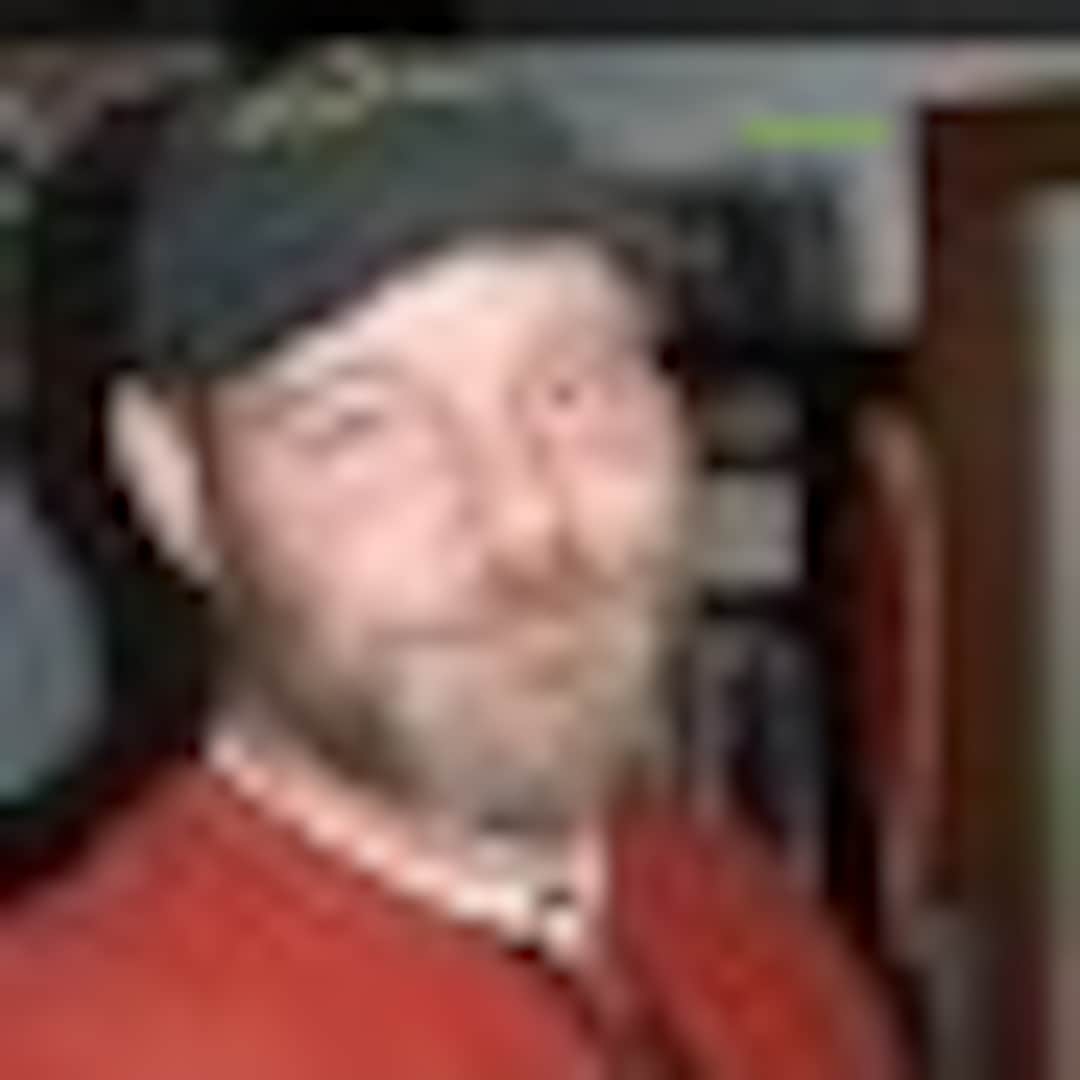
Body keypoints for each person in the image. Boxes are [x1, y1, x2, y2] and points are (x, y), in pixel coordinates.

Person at [0, 45, 910, 1078]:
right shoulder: (66, 1040)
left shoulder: (752, 921)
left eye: (574, 386)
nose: (524, 522)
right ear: (172, 486)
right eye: (363, 424)